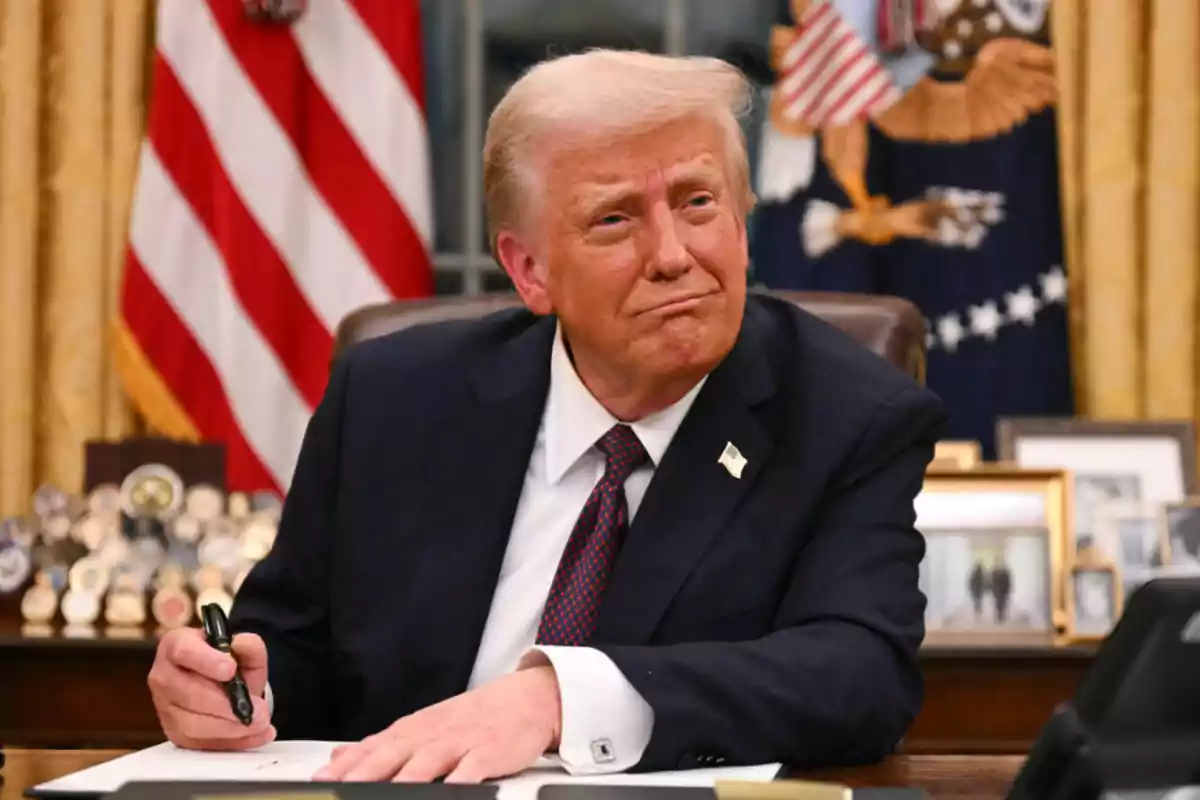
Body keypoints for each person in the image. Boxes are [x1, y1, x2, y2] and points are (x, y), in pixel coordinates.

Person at [147, 49, 946, 783]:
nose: (673, 254)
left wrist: (559, 699)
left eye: (699, 203)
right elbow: (289, 649)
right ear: (529, 271)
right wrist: (233, 692)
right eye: (615, 219)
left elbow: (860, 676)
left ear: (740, 224)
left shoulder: (848, 416)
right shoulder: (392, 398)